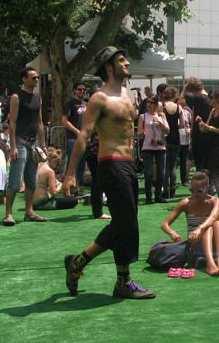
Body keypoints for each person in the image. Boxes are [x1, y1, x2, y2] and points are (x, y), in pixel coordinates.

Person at [62, 46, 155, 299]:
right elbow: (84, 134)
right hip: (111, 163)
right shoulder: (99, 98)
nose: (126, 63)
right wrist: (70, 174)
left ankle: (77, 263)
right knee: (126, 224)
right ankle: (123, 282)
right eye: (121, 60)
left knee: (123, 223)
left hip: (127, 164)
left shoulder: (127, 94)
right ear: (108, 66)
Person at [161, 171, 219, 276]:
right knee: (209, 227)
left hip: (212, 240)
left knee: (216, 223)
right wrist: (172, 233)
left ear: (207, 187)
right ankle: (210, 264)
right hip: (195, 242)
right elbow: (165, 224)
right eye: (192, 190)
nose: (195, 194)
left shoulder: (214, 201)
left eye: (199, 191)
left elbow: (213, 217)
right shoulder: (186, 202)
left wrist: (199, 228)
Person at [3, 67, 47, 226]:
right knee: (15, 181)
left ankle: (29, 212)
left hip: (33, 144)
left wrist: (43, 145)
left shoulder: (38, 98)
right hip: (20, 144)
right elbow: (12, 123)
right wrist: (13, 146)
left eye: (37, 78)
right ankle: (8, 214)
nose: (36, 80)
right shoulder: (16, 97)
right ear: (24, 79)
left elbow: (40, 122)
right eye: (33, 78)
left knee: (32, 180)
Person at [197, 89, 219, 195]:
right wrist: (201, 123)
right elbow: (205, 128)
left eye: (211, 98)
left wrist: (210, 128)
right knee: (211, 172)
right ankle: (214, 195)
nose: (209, 99)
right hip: (211, 145)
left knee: (217, 174)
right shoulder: (212, 111)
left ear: (217, 99)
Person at [138, 97, 169, 204]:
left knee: (161, 173)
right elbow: (140, 132)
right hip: (148, 147)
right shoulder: (143, 116)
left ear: (156, 105)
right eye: (147, 103)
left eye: (151, 103)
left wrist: (160, 122)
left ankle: (158, 196)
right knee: (148, 173)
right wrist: (142, 133)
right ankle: (148, 197)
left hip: (160, 147)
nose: (149, 104)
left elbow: (167, 130)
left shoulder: (161, 115)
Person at [61, 82, 87, 194]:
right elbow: (64, 120)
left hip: (84, 138)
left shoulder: (87, 104)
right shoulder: (70, 103)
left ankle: (77, 187)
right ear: (74, 91)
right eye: (79, 89)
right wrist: (76, 131)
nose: (82, 91)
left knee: (82, 165)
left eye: (83, 89)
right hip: (73, 138)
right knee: (72, 164)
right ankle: (67, 189)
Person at [161, 86, 184, 199]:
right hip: (176, 137)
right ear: (174, 95)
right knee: (173, 166)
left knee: (165, 166)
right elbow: (182, 125)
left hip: (164, 137)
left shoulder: (162, 106)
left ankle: (165, 190)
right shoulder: (179, 107)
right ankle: (173, 189)